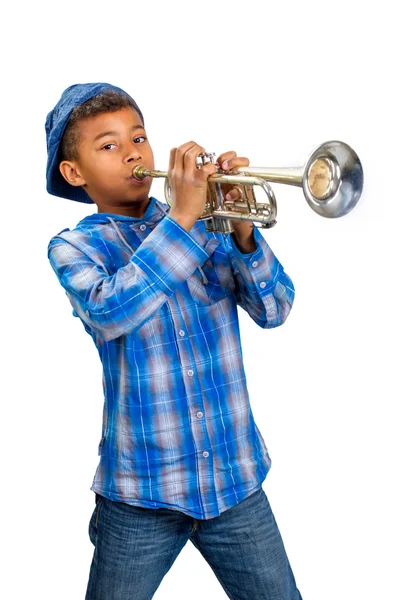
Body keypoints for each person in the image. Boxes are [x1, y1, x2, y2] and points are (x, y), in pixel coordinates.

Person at [46, 82, 302, 600]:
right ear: (75, 174)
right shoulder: (74, 247)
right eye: (109, 145)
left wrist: (240, 231)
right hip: (141, 494)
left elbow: (275, 311)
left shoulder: (207, 226)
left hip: (235, 481)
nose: (133, 153)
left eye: (138, 137)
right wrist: (185, 219)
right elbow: (114, 311)